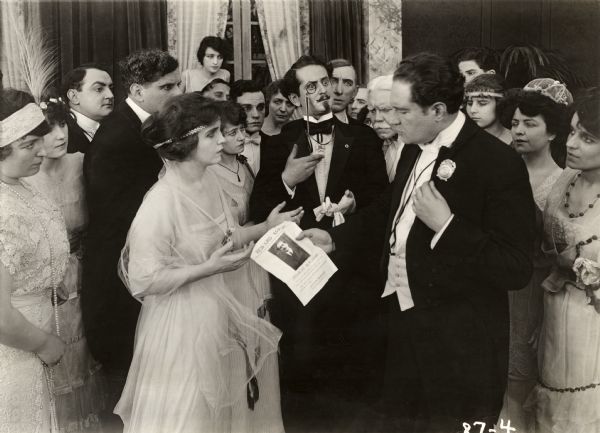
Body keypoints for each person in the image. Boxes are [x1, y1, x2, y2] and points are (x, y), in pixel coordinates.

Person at [300, 52, 536, 432]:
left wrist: (447, 225)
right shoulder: (413, 144)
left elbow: (516, 266)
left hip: (460, 345)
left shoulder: (498, 162)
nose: (390, 120)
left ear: (438, 110)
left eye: (401, 111)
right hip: (402, 325)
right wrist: (334, 236)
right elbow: (391, 213)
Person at [115, 93, 302, 433]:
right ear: (187, 143)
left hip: (223, 312)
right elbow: (142, 279)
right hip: (184, 324)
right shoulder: (161, 202)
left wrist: (264, 227)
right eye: (213, 134)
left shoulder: (209, 180)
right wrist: (208, 269)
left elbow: (226, 236)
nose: (224, 140)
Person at [250, 54, 388, 432]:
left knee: (354, 379)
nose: (324, 90)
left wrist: (354, 204)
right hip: (299, 284)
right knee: (303, 377)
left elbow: (383, 202)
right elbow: (259, 209)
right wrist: (287, 180)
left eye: (325, 81)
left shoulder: (363, 138)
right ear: (294, 100)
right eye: (310, 87)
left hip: (351, 275)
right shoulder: (278, 145)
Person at [82, 49, 182, 429]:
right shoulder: (118, 136)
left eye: (178, 85)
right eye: (166, 86)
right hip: (118, 276)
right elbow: (118, 215)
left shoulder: (146, 124)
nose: (175, 93)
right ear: (137, 91)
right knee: (129, 378)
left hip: (142, 266)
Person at [496, 79, 572, 431]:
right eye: (514, 123)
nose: (519, 131)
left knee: (519, 384)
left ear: (553, 132)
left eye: (530, 124)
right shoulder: (499, 170)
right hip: (494, 288)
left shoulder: (564, 182)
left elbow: (560, 255)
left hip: (532, 294)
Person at [28, 95, 106, 433]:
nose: (60, 135)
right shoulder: (22, 180)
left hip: (84, 272)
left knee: (82, 345)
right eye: (48, 129)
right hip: (43, 281)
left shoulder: (81, 162)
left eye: (62, 124)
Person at [525, 87, 600, 433]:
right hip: (555, 309)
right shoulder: (563, 182)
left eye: (586, 138)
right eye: (572, 131)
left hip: (593, 321)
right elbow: (546, 251)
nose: (571, 144)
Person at [210, 100, 287, 432]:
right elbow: (219, 234)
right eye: (232, 132)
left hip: (255, 263)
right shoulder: (208, 173)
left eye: (242, 130)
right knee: (237, 344)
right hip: (232, 266)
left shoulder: (244, 165)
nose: (241, 137)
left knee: (260, 339)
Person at [0, 88, 68, 433]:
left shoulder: (21, 187)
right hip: (15, 350)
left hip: (37, 331)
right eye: (29, 144)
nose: (42, 149)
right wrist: (43, 343)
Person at [62, 64, 114, 154]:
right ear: (74, 96)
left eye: (111, 88)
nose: (110, 95)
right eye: (99, 89)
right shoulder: (63, 135)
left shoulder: (112, 128)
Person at [367, 74, 403, 182]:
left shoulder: (419, 144)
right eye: (373, 111)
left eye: (386, 110)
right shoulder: (369, 142)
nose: (378, 118)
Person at [464, 73, 512, 144]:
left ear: (500, 104)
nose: (472, 110)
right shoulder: (461, 141)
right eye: (470, 103)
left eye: (482, 103)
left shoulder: (518, 141)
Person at [231, 79, 266, 175]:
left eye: (260, 107)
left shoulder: (276, 145)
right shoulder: (221, 148)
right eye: (246, 108)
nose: (256, 115)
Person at [327, 58, 360, 124]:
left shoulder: (364, 132)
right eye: (333, 81)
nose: (339, 91)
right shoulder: (302, 129)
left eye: (347, 84)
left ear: (355, 92)